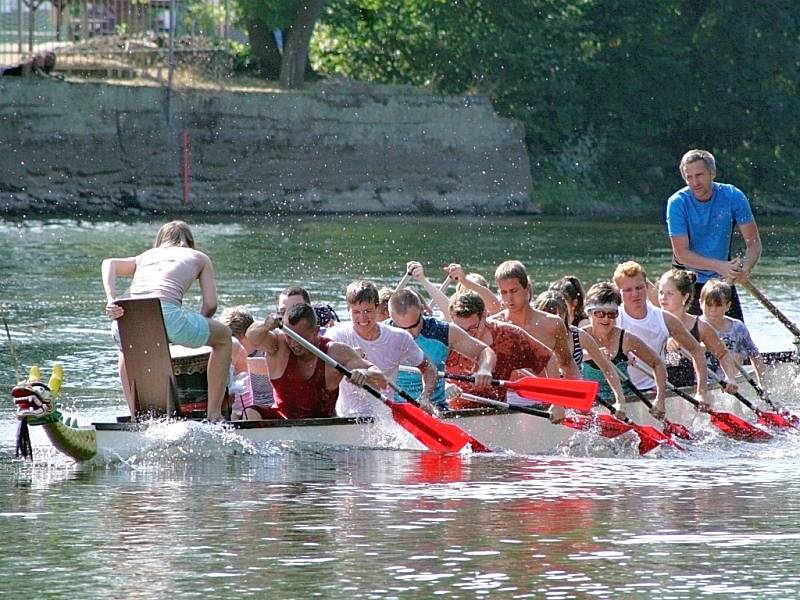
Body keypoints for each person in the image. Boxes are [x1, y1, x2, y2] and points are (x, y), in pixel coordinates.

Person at [102, 220, 232, 421]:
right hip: (168, 314)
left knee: (125, 351)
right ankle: (214, 414)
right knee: (223, 337)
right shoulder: (199, 257)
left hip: (125, 314)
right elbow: (211, 304)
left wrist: (111, 299)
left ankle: (134, 416)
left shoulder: (146, 256)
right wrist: (199, 327)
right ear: (189, 241)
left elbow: (108, 263)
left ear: (160, 241)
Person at [665, 149, 762, 321]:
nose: (695, 182)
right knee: (693, 343)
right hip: (688, 282)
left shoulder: (733, 196)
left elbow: (753, 243)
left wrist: (745, 269)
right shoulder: (677, 203)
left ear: (712, 173)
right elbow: (682, 253)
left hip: (723, 280)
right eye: (689, 177)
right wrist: (719, 266)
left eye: (699, 175)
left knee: (738, 336)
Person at [246, 303, 387, 419]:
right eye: (290, 336)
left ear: (316, 331)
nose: (294, 344)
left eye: (300, 338)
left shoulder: (335, 352)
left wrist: (365, 374)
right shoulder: (278, 345)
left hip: (322, 423)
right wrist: (266, 326)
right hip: (283, 419)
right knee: (250, 414)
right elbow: (252, 337)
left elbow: (382, 381)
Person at [326, 280, 438, 416]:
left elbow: (428, 367)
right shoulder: (336, 336)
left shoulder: (399, 337)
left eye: (368, 311)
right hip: (345, 418)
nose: (362, 318)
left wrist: (425, 397)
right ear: (347, 309)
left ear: (377, 307)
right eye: (356, 312)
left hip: (383, 419)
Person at [613, 260, 710, 409]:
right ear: (618, 291)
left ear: (646, 287)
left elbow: (697, 351)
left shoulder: (664, 319)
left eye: (639, 288)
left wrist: (701, 392)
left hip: (653, 391)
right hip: (620, 392)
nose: (635, 295)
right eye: (627, 290)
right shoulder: (611, 318)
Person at [445, 291, 554, 412]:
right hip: (454, 413)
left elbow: (549, 359)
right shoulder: (445, 336)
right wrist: (444, 386)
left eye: (472, 328)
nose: (467, 335)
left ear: (485, 315)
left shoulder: (508, 335)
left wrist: (556, 403)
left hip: (497, 412)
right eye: (460, 330)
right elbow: (425, 370)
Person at [472, 260, 582, 380]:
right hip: (504, 395)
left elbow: (566, 364)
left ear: (527, 289)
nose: (509, 298)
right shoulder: (493, 325)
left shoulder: (553, 324)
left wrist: (582, 393)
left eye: (514, 291)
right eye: (504, 292)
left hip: (541, 394)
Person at [389, 288, 496, 411]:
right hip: (393, 408)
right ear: (392, 317)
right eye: (401, 328)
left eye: (413, 325)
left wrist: (484, 369)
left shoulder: (443, 331)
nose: (409, 334)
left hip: (434, 408)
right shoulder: (381, 333)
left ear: (422, 310)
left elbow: (485, 351)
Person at [533, 290, 628, 416]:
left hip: (573, 403)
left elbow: (607, 368)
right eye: (547, 316)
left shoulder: (579, 336)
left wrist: (620, 400)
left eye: (557, 317)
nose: (552, 323)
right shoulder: (530, 338)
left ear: (565, 315)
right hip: (541, 404)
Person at [581, 282, 669, 418]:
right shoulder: (579, 337)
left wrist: (660, 399)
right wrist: (592, 355)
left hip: (625, 405)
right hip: (592, 403)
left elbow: (657, 363)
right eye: (599, 313)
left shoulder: (626, 338)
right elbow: (561, 363)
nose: (606, 319)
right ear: (589, 313)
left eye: (611, 314)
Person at [656, 269, 740, 391]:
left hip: (694, 390)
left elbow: (723, 354)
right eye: (661, 292)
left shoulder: (700, 326)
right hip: (662, 388)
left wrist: (730, 377)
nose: (663, 297)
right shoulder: (653, 321)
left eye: (670, 293)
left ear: (685, 296)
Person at [699, 279, 769, 397]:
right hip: (706, 379)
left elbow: (755, 355)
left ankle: (731, 385)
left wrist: (763, 385)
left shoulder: (737, 327)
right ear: (700, 303)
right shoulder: (695, 325)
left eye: (718, 305)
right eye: (709, 304)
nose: (713, 310)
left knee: (736, 356)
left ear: (727, 306)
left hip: (732, 377)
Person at [220, 306, 274, 420]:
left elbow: (271, 367)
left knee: (248, 414)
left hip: (265, 407)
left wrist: (242, 362)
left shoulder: (266, 348)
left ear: (245, 336)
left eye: (234, 342)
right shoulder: (225, 356)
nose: (230, 348)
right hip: (239, 410)